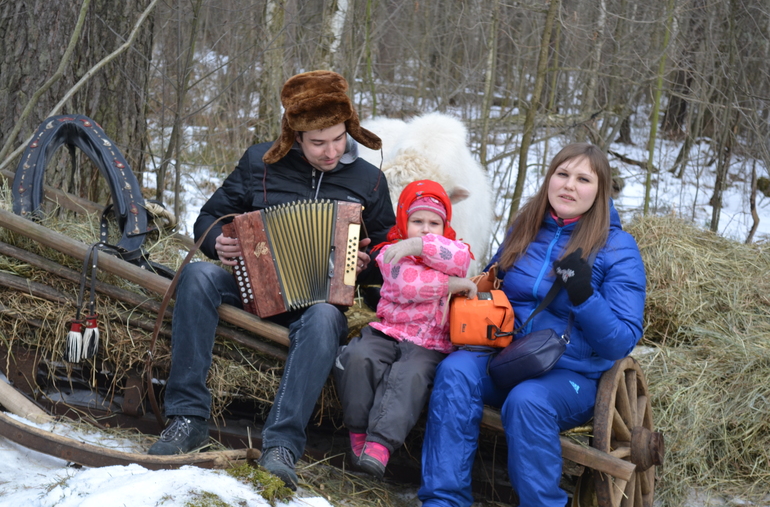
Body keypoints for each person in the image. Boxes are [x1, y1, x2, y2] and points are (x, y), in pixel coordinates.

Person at [147, 70, 396, 492]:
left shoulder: (369, 181)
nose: (331, 151)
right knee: (198, 275)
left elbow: (386, 255)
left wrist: (367, 263)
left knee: (322, 319)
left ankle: (281, 446)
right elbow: (209, 218)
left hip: (319, 306)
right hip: (252, 290)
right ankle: (187, 417)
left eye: (338, 138)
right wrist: (217, 246)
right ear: (294, 134)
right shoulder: (259, 163)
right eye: (318, 142)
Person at [418, 143, 646, 507]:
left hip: (571, 375)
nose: (569, 186)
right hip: (509, 355)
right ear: (549, 179)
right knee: (456, 371)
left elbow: (620, 342)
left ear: (600, 191)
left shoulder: (618, 248)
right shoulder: (526, 226)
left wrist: (585, 296)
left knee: (527, 401)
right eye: (563, 174)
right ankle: (443, 499)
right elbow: (492, 283)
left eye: (583, 179)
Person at [333, 180, 477, 479]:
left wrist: (420, 245)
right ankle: (358, 431)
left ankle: (380, 445)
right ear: (403, 221)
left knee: (408, 376)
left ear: (445, 225)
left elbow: (462, 259)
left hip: (429, 343)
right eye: (417, 222)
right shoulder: (388, 252)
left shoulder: (454, 249)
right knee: (358, 357)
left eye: (434, 223)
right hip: (388, 329)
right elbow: (408, 284)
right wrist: (449, 283)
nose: (426, 229)